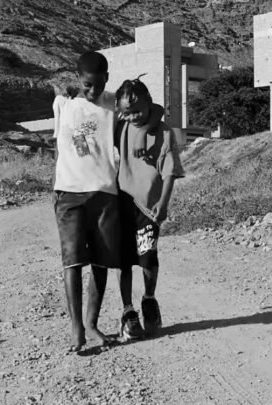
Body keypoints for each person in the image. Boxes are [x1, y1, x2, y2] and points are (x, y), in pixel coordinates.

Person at [52, 51, 119, 352]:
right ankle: (76, 327)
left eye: (97, 84)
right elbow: (64, 146)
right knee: (73, 261)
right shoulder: (63, 104)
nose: (92, 91)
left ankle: (92, 323)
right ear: (78, 80)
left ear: (107, 77)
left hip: (105, 192)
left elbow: (148, 107)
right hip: (69, 192)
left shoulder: (115, 103)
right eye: (86, 85)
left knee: (101, 262)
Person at [114, 77, 184, 340]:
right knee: (123, 261)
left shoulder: (164, 133)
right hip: (122, 203)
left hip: (149, 210)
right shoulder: (121, 127)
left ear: (149, 104)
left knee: (148, 260)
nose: (132, 116)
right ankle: (128, 311)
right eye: (127, 112)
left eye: (138, 111)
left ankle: (149, 299)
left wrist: (163, 204)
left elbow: (170, 173)